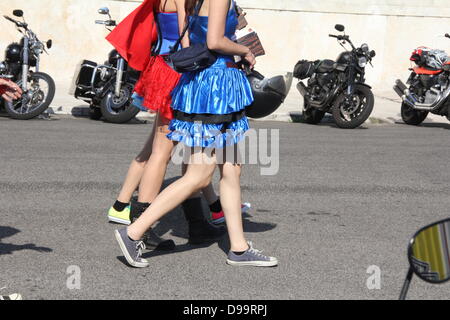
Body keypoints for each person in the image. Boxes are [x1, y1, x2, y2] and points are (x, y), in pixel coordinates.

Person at [115, 0, 278, 268]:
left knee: (232, 169)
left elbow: (199, 34)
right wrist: (244, 49)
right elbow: (215, 41)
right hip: (214, 89)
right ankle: (134, 232)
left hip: (215, 86)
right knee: (199, 174)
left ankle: (238, 248)